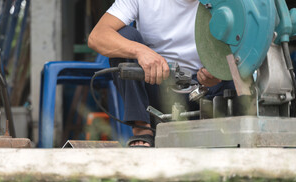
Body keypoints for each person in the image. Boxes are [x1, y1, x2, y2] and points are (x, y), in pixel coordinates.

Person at [88, 0, 234, 147]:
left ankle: (241, 129)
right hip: (156, 86)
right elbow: (97, 36)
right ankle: (142, 130)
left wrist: (220, 70)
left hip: (207, 91)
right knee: (123, 37)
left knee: (242, 58)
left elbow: (247, 46)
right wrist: (140, 51)